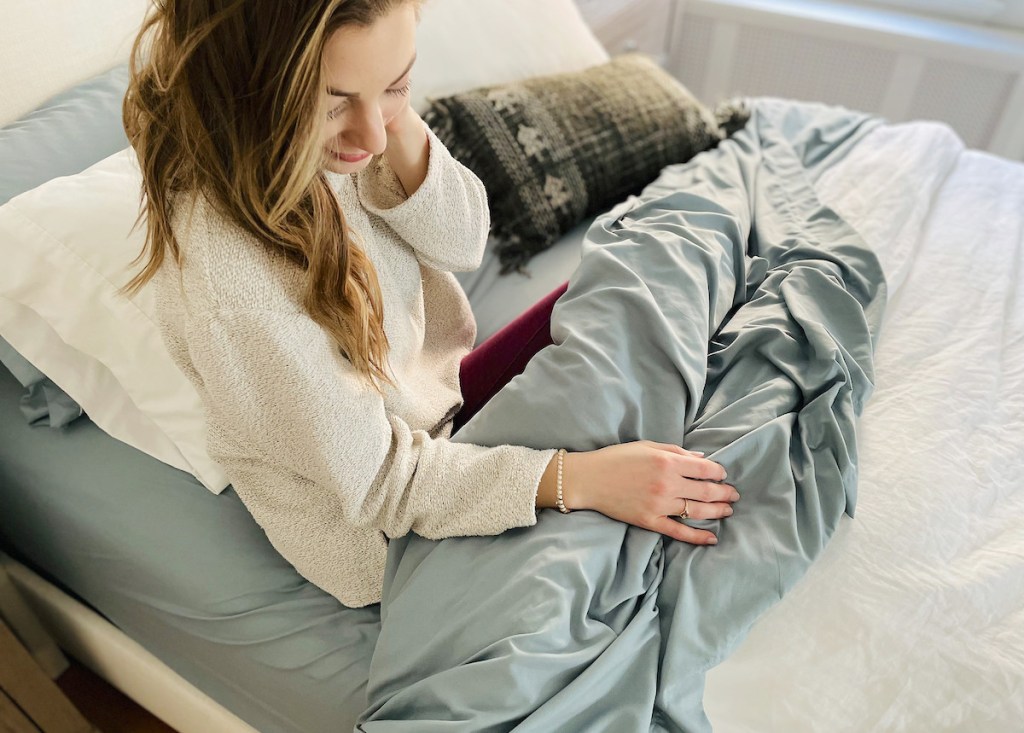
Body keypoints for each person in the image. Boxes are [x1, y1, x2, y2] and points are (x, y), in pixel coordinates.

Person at [120, 0, 739, 608]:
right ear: (247, 93)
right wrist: (577, 480)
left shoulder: (356, 127)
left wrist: (392, 115)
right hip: (394, 531)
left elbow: (463, 240)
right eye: (333, 104)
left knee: (656, 254)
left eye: (398, 85)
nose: (369, 133)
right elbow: (382, 488)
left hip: (452, 403)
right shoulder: (231, 280)